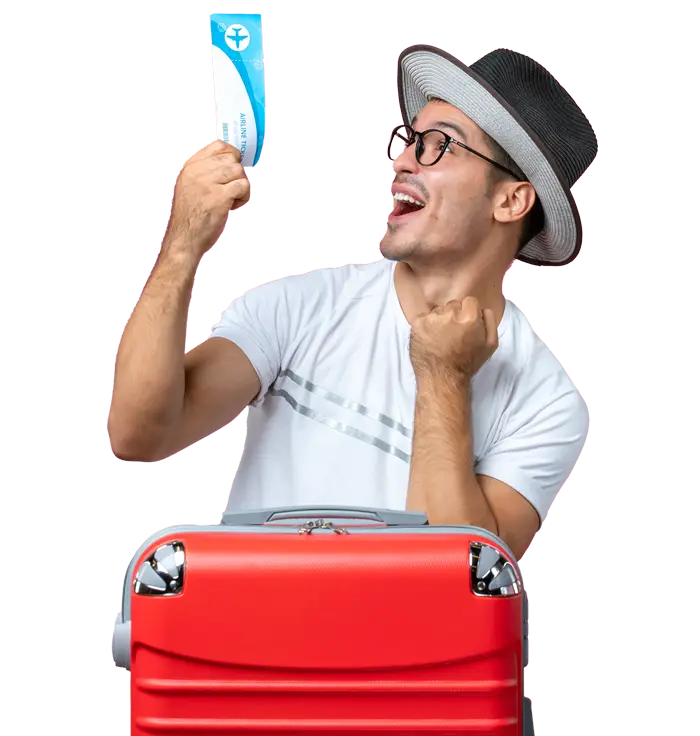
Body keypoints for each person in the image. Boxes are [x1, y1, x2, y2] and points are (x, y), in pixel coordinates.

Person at [109, 45, 598, 560]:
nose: (403, 159)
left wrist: (443, 377)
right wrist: (184, 244)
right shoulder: (297, 310)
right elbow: (139, 435)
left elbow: (463, 582)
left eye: (440, 145)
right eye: (409, 140)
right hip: (250, 638)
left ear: (511, 200)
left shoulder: (546, 404)